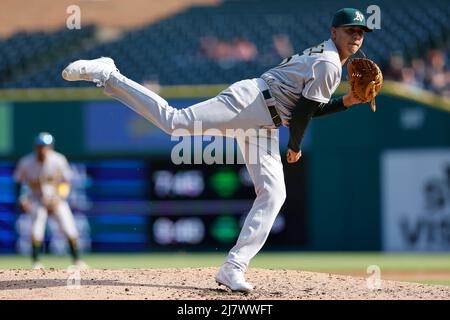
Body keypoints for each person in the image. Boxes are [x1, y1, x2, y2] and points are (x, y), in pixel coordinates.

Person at [62, 8, 372, 292]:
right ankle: (108, 73)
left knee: (274, 194)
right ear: (334, 32)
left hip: (266, 122)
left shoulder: (329, 58)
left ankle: (233, 267)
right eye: (350, 30)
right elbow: (304, 113)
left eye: (360, 32)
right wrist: (294, 147)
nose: (356, 36)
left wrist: (345, 103)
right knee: (175, 121)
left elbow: (305, 107)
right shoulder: (330, 63)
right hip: (251, 102)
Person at [14, 132, 87, 270]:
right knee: (37, 229)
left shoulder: (58, 160)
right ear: (36, 147)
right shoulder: (26, 162)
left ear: (51, 147)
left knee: (69, 228)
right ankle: (36, 262)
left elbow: (66, 182)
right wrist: (22, 198)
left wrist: (60, 197)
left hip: (56, 199)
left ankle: (77, 260)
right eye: (40, 146)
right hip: (37, 198)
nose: (43, 149)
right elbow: (18, 182)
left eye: (46, 146)